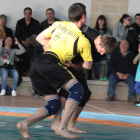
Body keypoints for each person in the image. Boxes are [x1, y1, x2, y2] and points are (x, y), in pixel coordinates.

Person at [17, 3, 93, 139]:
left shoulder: (59, 25)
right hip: (51, 64)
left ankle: (25, 124)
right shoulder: (83, 40)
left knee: (54, 104)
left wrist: (48, 46)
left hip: (37, 64)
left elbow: (39, 38)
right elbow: (88, 66)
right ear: (83, 16)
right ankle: (62, 126)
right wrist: (75, 63)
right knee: (78, 90)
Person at [51, 25, 117, 133]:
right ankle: (57, 121)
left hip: (74, 64)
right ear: (100, 41)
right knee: (67, 91)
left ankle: (71, 124)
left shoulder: (101, 54)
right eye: (101, 51)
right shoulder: (87, 32)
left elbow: (85, 64)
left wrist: (73, 65)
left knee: (85, 94)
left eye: (103, 53)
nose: (101, 54)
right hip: (64, 58)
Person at [15, 7, 40, 76]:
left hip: (32, 43)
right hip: (21, 43)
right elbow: (17, 35)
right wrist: (23, 42)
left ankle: (26, 71)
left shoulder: (36, 23)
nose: (27, 15)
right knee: (21, 51)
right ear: (24, 14)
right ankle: (21, 71)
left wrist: (29, 42)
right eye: (26, 13)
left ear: (31, 14)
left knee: (32, 52)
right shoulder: (20, 22)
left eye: (29, 13)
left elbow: (37, 36)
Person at [90, 15, 111, 80]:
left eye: (102, 20)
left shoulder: (107, 30)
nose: (101, 21)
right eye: (100, 20)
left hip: (105, 48)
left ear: (104, 21)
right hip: (97, 48)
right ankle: (96, 74)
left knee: (109, 57)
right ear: (97, 21)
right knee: (96, 60)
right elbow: (93, 39)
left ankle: (108, 74)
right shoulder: (94, 29)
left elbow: (108, 40)